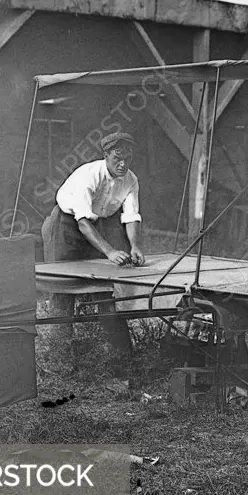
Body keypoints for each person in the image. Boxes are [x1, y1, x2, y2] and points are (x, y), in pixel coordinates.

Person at [41, 131, 146, 368]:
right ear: (105, 155)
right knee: (62, 286)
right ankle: (60, 356)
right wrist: (109, 251)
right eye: (117, 158)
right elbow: (82, 222)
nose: (122, 164)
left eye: (127, 159)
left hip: (97, 222)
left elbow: (130, 216)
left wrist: (135, 246)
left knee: (104, 286)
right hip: (66, 224)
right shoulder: (87, 176)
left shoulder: (131, 180)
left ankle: (121, 357)